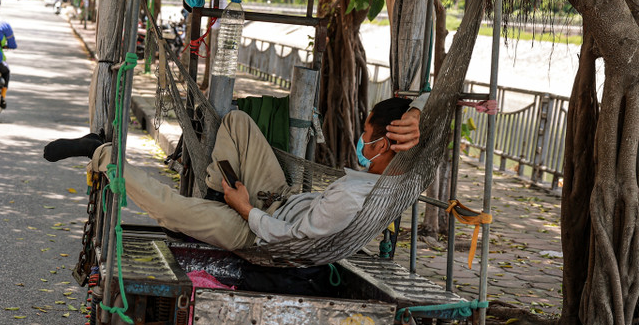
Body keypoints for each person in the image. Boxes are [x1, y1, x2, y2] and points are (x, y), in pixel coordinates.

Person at [44, 96, 424, 251]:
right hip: (281, 199)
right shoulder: (401, 181)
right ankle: (213, 200)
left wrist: (243, 209)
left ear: (387, 143)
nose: (360, 138)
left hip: (258, 231)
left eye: (366, 132)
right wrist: (416, 114)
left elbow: (288, 240)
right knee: (238, 122)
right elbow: (430, 94)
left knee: (170, 209)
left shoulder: (353, 197)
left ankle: (99, 151)